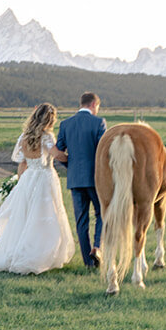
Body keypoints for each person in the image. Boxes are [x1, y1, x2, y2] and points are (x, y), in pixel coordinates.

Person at [0, 102, 75, 275]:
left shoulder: (24, 136)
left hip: (28, 178)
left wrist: (19, 181)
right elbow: (57, 155)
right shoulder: (46, 136)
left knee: (25, 216)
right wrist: (75, 157)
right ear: (49, 119)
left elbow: (23, 162)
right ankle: (37, 255)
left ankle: (19, 251)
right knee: (44, 216)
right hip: (45, 178)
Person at [56, 92, 107, 270]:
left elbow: (58, 152)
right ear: (94, 104)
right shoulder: (99, 122)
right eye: (97, 107)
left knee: (81, 221)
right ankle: (97, 248)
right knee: (101, 213)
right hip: (95, 179)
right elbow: (104, 151)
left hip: (75, 179)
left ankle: (88, 262)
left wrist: (72, 167)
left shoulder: (65, 124)